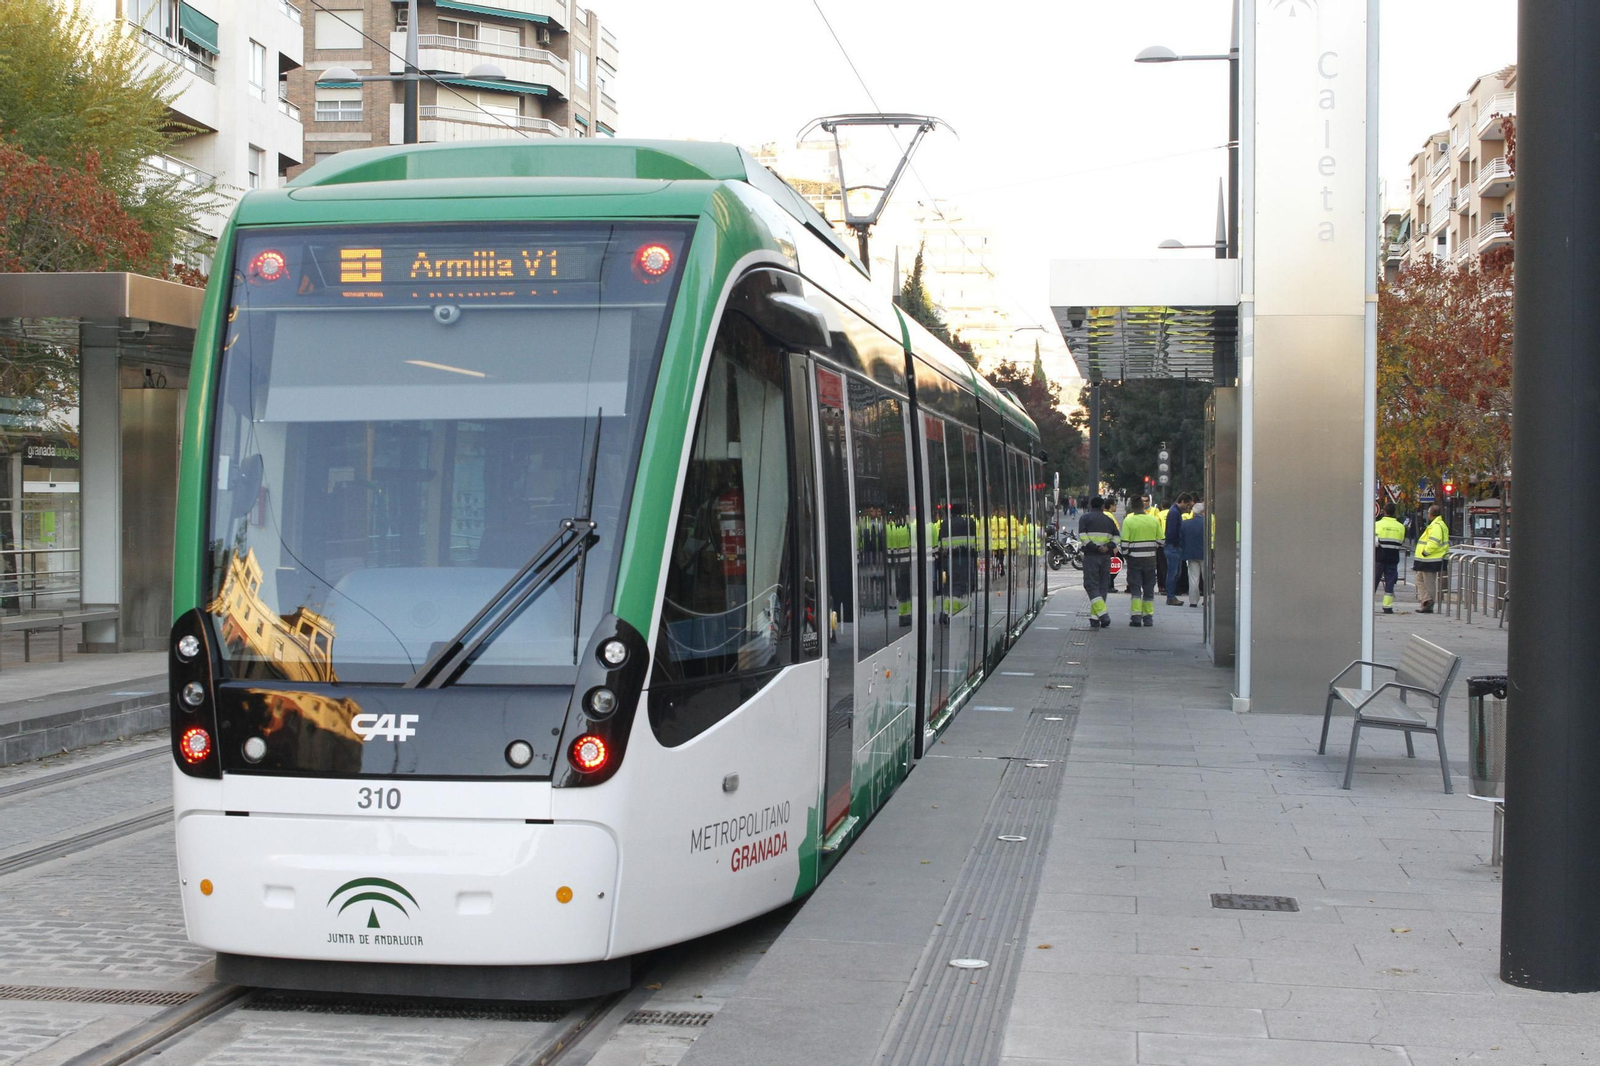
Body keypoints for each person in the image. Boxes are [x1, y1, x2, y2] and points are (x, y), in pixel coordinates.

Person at [1120, 495, 1163, 627]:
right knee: (1149, 588)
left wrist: (1127, 556)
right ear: (1143, 506)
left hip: (1134, 560)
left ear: (1132, 507)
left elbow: (1124, 544)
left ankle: (1136, 617)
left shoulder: (1128, 521)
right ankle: (1148, 617)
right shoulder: (1153, 520)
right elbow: (1161, 541)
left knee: (1136, 588)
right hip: (1150, 560)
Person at [1077, 495, 1120, 627]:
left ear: (1091, 506)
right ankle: (1094, 618)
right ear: (1102, 506)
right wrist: (1108, 547)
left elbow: (1082, 536)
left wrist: (1093, 547)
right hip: (1105, 557)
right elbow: (1117, 537)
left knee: (1090, 585)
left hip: (1091, 556)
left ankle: (1102, 615)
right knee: (1102, 586)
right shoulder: (1108, 520)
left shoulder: (1085, 518)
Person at [1412, 504, 1450, 613]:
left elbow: (1434, 542)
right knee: (1419, 579)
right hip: (1427, 559)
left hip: (1430, 559)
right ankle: (1426, 600)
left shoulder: (1437, 526)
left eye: (1428, 513)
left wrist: (1425, 552)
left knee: (1429, 582)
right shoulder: (1437, 524)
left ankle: (1429, 603)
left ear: (1431, 514)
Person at [1374, 502, 1406, 614]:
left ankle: (1369, 605)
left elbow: (1373, 541)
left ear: (1384, 512)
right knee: (1390, 583)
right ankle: (1387, 606)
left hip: (1379, 557)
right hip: (1393, 558)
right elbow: (1401, 541)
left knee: (1373, 581)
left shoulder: (1377, 525)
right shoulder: (1400, 527)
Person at [1165, 492, 1192, 605]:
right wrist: (1177, 544)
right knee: (1173, 572)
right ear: (1182, 501)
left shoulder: (1175, 511)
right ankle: (1170, 596)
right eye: (1188, 505)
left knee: (1176, 572)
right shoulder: (1175, 513)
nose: (1188, 508)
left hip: (1173, 546)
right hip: (1173, 546)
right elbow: (1172, 531)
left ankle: (1171, 595)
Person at [1182, 499, 1207, 607]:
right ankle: (1207, 599)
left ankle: (1193, 601)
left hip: (1191, 554)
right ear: (1203, 512)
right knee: (1206, 578)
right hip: (1205, 554)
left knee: (1193, 578)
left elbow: (1182, 539)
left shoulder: (1186, 524)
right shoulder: (1207, 523)